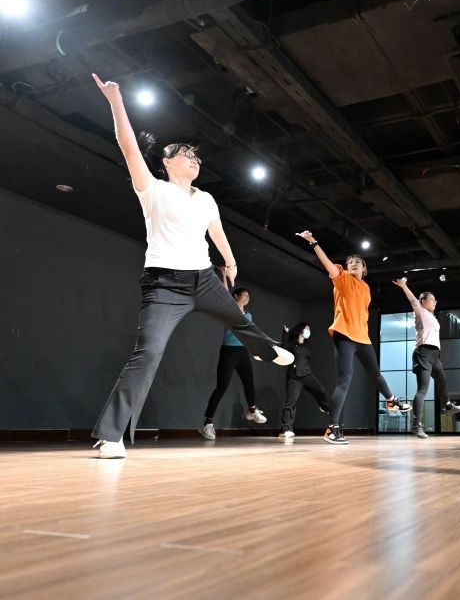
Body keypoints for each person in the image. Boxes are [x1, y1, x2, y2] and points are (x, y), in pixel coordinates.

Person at [89, 73, 293, 459]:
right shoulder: (153, 189)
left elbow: (216, 232)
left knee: (238, 318)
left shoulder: (206, 199)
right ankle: (110, 435)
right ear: (166, 162)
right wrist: (116, 102)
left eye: (197, 156)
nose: (194, 159)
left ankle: (263, 348)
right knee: (148, 353)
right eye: (185, 154)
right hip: (164, 284)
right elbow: (128, 146)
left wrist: (230, 261)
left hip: (204, 278)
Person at [296, 230, 411, 445]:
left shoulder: (366, 288)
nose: (354, 264)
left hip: (362, 337)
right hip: (344, 335)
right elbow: (327, 264)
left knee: (376, 373)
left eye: (358, 262)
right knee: (345, 380)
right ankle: (332, 429)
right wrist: (313, 242)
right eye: (350, 262)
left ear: (364, 268)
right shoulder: (342, 278)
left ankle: (391, 400)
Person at [391, 278, 460, 438]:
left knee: (442, 380)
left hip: (434, 355)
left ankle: (448, 406)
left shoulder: (432, 316)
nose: (435, 302)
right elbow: (412, 299)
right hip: (423, 352)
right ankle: (416, 425)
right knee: (423, 389)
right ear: (423, 302)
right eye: (432, 299)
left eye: (435, 300)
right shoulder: (420, 311)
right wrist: (404, 286)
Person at [197, 287, 268, 440]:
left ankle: (252, 410)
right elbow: (224, 293)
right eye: (244, 295)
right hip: (229, 352)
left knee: (249, 383)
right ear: (235, 297)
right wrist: (224, 277)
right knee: (222, 387)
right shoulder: (229, 310)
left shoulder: (249, 315)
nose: (247, 297)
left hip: (243, 352)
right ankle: (207, 424)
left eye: (249, 295)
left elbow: (250, 335)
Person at [278, 322, 333, 438]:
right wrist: (285, 334)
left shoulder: (307, 345)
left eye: (309, 329)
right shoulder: (291, 344)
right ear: (301, 330)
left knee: (321, 392)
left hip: (307, 375)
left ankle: (324, 407)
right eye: (307, 329)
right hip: (294, 377)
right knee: (291, 402)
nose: (308, 331)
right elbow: (283, 351)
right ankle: (286, 430)